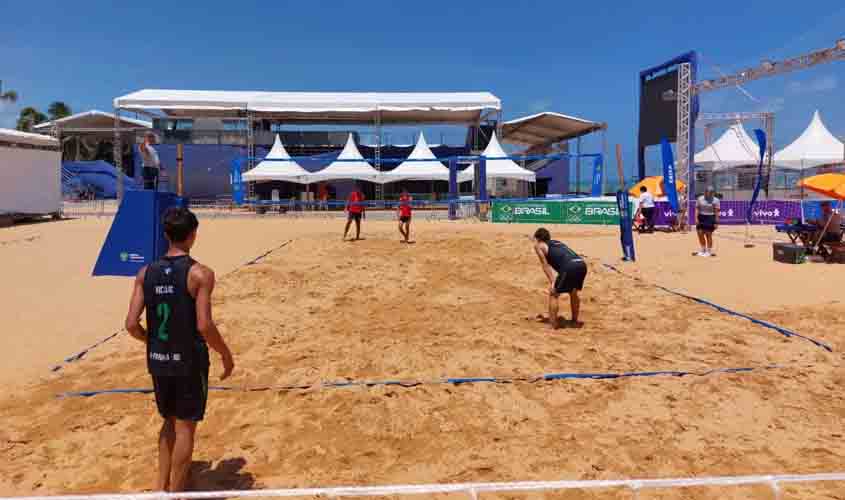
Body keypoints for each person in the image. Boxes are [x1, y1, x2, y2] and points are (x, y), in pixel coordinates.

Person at [124, 207, 234, 494]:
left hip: (158, 358)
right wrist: (225, 353)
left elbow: (130, 324)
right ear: (193, 235)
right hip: (189, 359)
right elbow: (204, 325)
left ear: (165, 235)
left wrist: (153, 342)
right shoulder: (201, 274)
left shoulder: (145, 272)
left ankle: (161, 487)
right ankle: (177, 492)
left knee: (168, 422)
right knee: (186, 427)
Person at [533, 227, 587, 329]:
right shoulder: (556, 242)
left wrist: (552, 281)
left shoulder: (539, 246)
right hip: (581, 264)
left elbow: (545, 265)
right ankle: (574, 321)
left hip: (569, 266)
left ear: (538, 239)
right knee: (573, 291)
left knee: (554, 293)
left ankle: (552, 325)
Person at [695, 186, 720, 257]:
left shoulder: (716, 200)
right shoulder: (700, 199)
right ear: (705, 192)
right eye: (709, 192)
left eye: (711, 193)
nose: (710, 194)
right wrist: (696, 218)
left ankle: (709, 251)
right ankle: (703, 249)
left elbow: (716, 212)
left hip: (710, 217)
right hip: (701, 217)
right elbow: (697, 209)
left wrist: (716, 222)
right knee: (700, 233)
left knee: (708, 234)